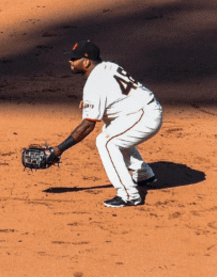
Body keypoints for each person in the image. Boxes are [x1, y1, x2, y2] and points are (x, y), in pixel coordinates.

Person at [44, 39, 163, 208]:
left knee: (106, 141)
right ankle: (143, 174)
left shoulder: (94, 82)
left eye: (74, 59)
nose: (70, 61)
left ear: (85, 62)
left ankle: (128, 195)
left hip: (145, 116)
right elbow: (111, 92)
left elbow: (87, 126)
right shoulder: (108, 66)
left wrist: (58, 149)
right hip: (144, 109)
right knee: (111, 128)